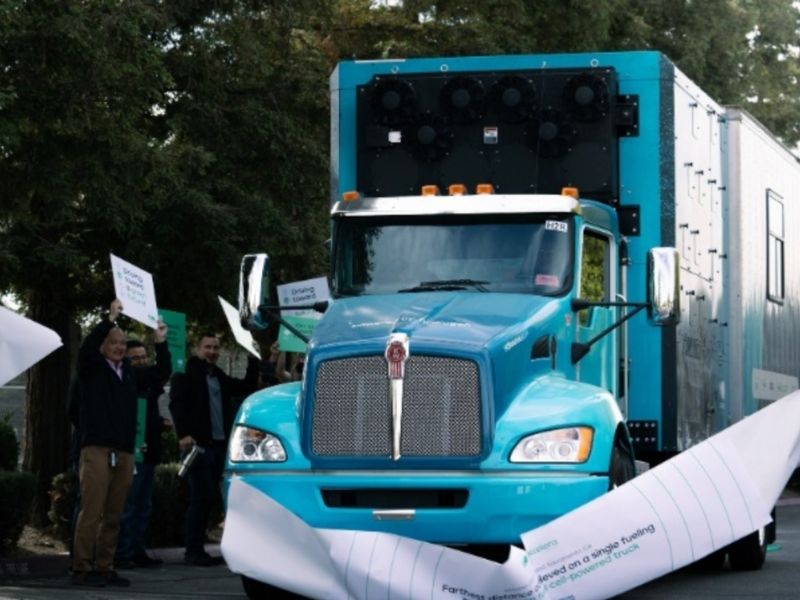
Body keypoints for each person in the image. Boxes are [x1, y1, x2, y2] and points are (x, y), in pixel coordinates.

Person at [71, 299, 162, 587]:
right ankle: (82, 569)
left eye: (123, 343)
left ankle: (104, 568)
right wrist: (109, 320)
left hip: (123, 451)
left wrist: (161, 343)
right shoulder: (92, 369)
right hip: (96, 448)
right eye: (114, 342)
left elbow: (162, 373)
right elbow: (86, 349)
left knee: (113, 514)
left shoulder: (130, 374)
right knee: (92, 510)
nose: (120, 347)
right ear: (103, 345)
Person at [168, 333, 259, 566]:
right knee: (200, 497)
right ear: (196, 349)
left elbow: (246, 386)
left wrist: (254, 358)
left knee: (209, 499)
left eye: (215, 348)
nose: (212, 351)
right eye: (207, 347)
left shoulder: (218, 375)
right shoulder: (184, 374)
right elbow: (176, 405)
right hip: (198, 446)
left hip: (219, 446)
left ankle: (199, 547)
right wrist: (183, 434)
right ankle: (193, 551)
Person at [114, 333, 172, 569]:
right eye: (134, 358)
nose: (140, 361)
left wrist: (159, 423)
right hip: (131, 453)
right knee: (128, 506)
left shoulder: (150, 384)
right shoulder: (127, 380)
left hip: (148, 452)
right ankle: (123, 553)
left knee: (143, 506)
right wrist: (161, 342)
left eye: (143, 357)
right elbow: (163, 370)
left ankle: (136, 550)